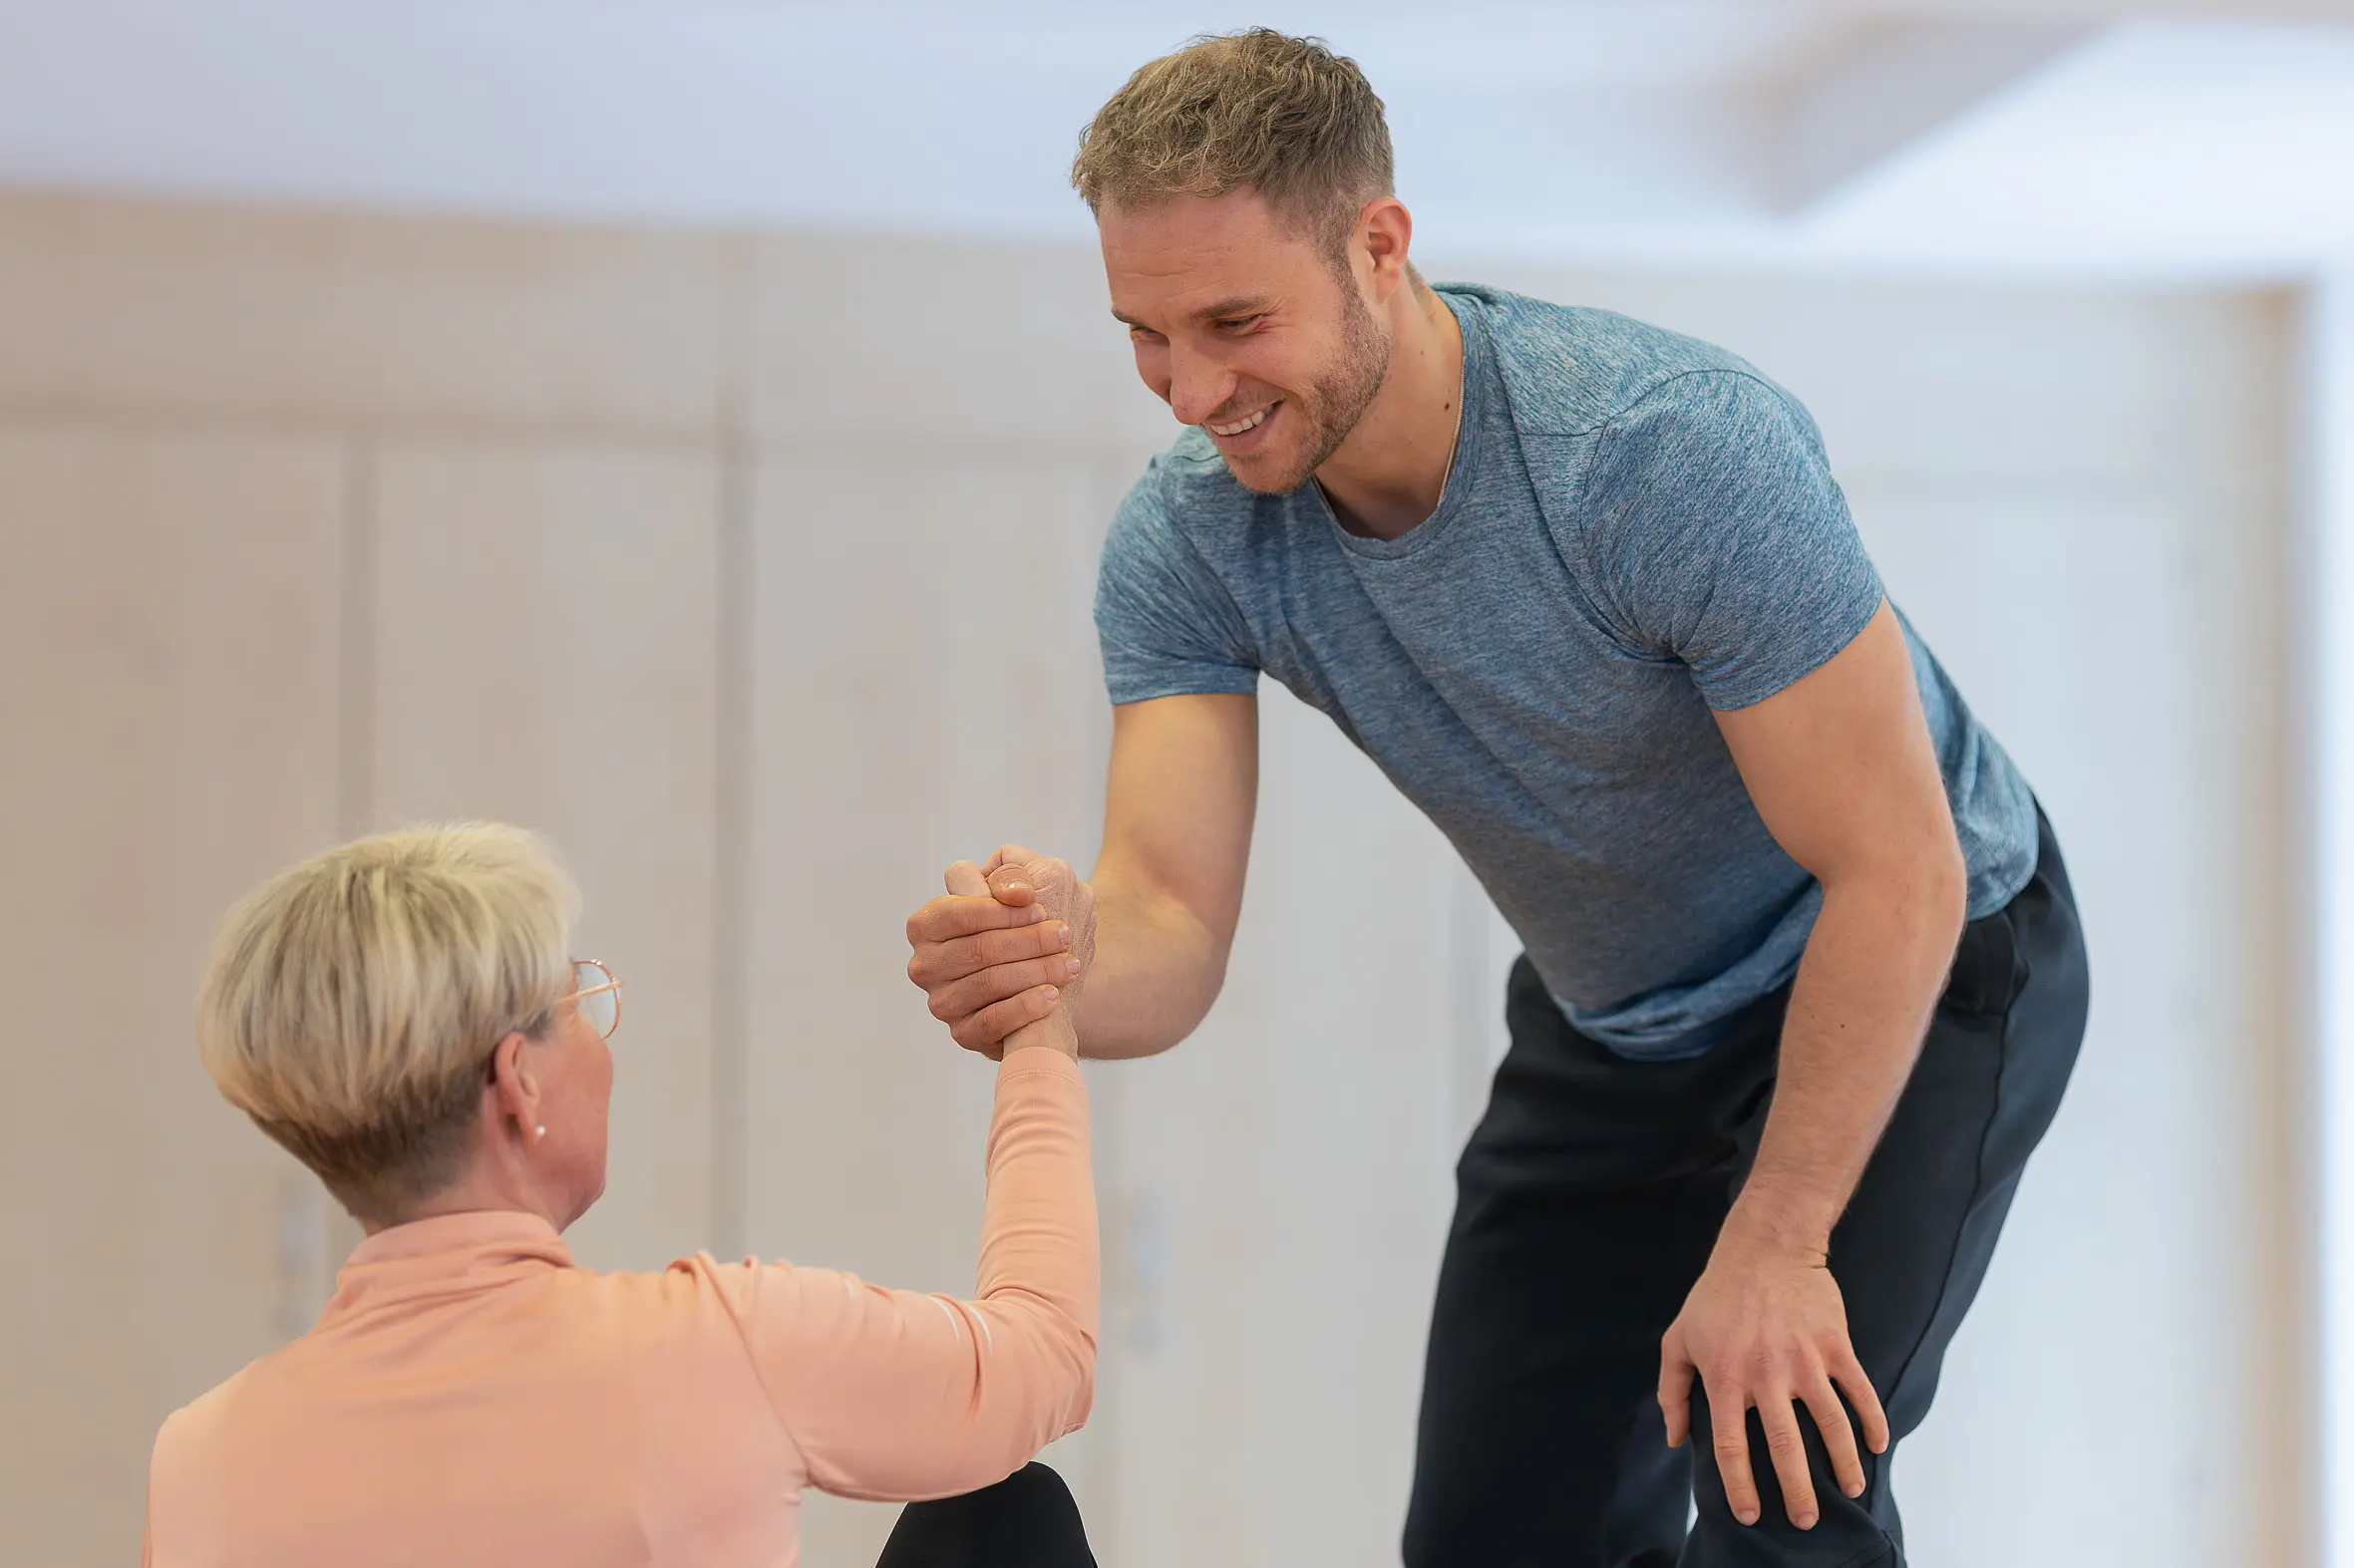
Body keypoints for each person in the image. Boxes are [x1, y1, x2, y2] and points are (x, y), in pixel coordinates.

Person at [903, 29, 2090, 1568]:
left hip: (1925, 952)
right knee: (1493, 1539)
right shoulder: (1189, 544)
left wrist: (1778, 1237)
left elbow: (1896, 864)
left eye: (1235, 322)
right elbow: (1168, 919)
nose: (1192, 389)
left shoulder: (1663, 452)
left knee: (1775, 1475)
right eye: (1146, 333)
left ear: (1377, 244)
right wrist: (1056, 961)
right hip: (1619, 1021)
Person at [145, 822, 1102, 1568]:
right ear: (518, 1081)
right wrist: (1040, 1029)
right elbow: (1046, 1351)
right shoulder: (719, 1342)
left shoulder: (196, 1456)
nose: (601, 1038)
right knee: (1003, 1512)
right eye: (576, 1001)